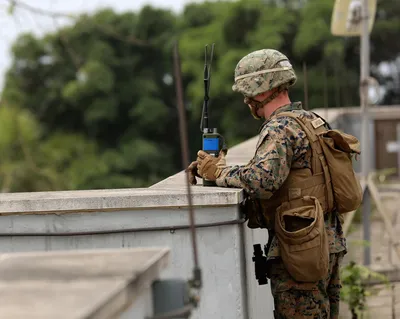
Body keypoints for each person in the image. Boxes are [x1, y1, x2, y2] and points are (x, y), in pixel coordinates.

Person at [187, 49, 360, 319]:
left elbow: (262, 180)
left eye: (246, 93)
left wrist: (218, 172)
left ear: (260, 89)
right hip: (329, 242)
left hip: (300, 251)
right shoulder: (311, 120)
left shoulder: (279, 129)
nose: (246, 101)